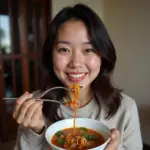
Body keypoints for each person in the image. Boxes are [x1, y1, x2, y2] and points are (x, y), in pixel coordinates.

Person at [13, 3, 142, 150]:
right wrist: (35, 131)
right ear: (50, 55)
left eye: (88, 49)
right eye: (64, 49)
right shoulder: (35, 107)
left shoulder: (126, 108)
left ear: (103, 56)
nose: (76, 63)